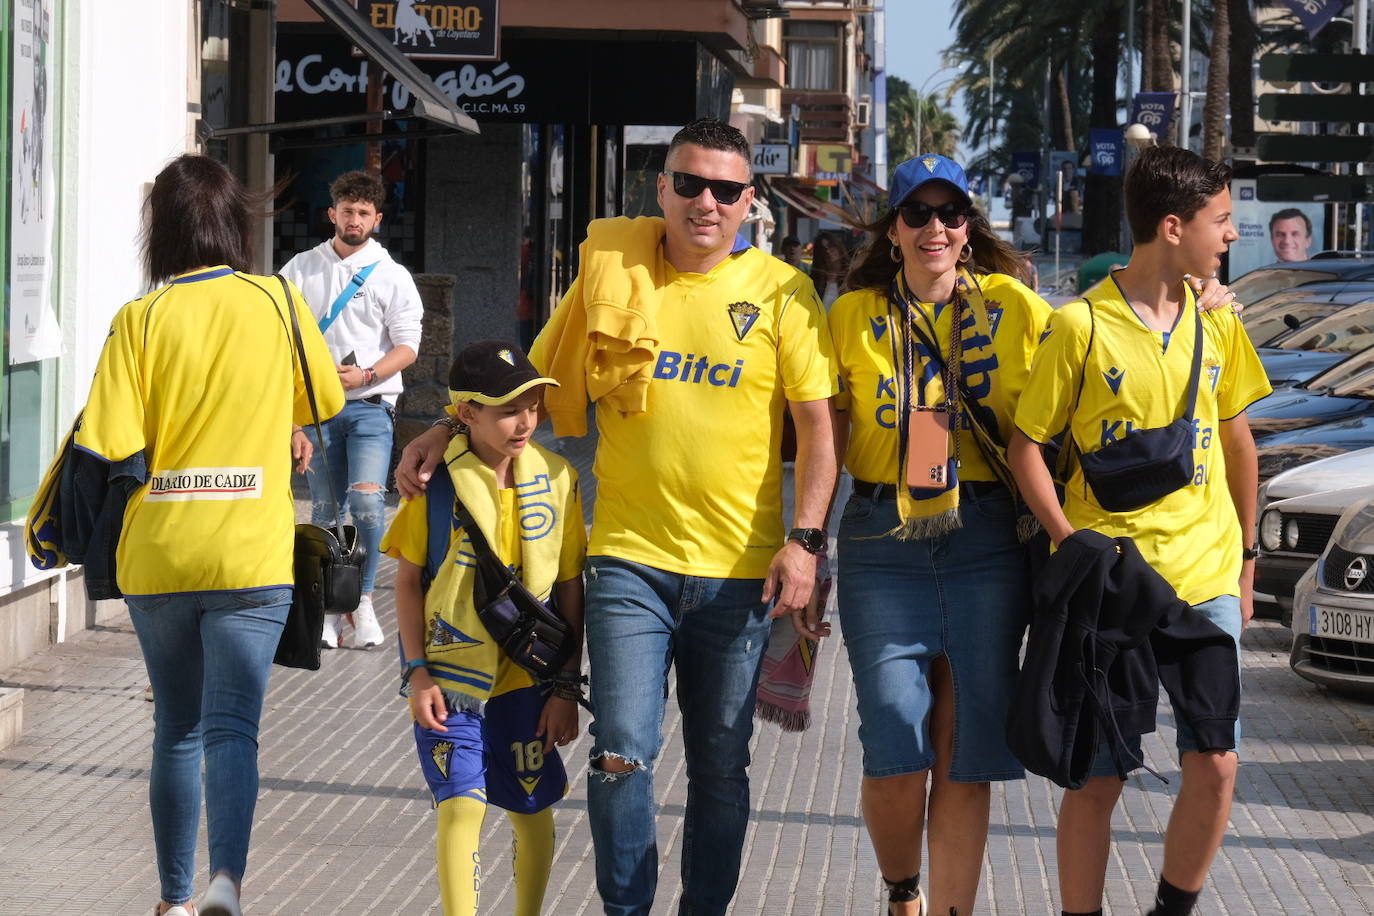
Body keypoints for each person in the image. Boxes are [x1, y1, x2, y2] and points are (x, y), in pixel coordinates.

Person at [396, 117, 839, 915]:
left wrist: (805, 542)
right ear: (661, 189)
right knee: (621, 755)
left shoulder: (782, 291)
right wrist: (442, 429)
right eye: (690, 183)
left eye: (726, 189)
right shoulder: (615, 270)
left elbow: (816, 428)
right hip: (629, 562)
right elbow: (522, 383)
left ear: (749, 202)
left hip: (739, 574)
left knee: (721, 767)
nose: (707, 202)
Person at [76, 154, 344, 916]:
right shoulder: (277, 301)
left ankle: (173, 902)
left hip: (160, 554)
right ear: (235, 223)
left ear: (159, 230)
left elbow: (109, 438)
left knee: (176, 729)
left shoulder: (140, 319)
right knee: (233, 730)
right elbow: (324, 398)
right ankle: (227, 879)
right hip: (251, 555)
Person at [1007, 145, 1270, 916]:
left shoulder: (1218, 322)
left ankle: (1170, 909)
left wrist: (1247, 564)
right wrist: (1070, 542)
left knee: (1216, 763)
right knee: (1098, 777)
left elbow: (1239, 445)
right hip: (1114, 586)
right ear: (1172, 226)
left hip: (1206, 578)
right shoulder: (1079, 326)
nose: (1231, 234)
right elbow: (1027, 448)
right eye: (1220, 220)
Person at [825, 153, 1051, 915]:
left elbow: (1097, 348)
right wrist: (800, 540)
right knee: (894, 739)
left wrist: (1198, 298)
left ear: (968, 226)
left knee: (966, 752)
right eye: (916, 212)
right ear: (893, 228)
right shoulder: (851, 315)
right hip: (881, 537)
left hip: (987, 539)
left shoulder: (1015, 307)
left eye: (949, 213)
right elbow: (818, 429)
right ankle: (903, 889)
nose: (934, 227)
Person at [381, 340, 586, 916]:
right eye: (509, 410)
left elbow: (571, 586)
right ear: (466, 413)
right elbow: (407, 582)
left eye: (533, 407)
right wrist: (417, 672)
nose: (526, 422)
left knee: (531, 806)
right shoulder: (434, 484)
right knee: (461, 804)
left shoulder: (559, 478)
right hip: (450, 679)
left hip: (529, 677)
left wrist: (565, 687)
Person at [280, 169, 423, 649]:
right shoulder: (301, 268)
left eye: (363, 212)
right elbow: (283, 342)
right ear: (332, 214)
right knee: (324, 509)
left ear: (377, 219)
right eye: (347, 211)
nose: (354, 219)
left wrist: (366, 375)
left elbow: (408, 347)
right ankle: (327, 606)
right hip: (316, 411)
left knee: (365, 502)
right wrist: (293, 418)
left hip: (370, 407)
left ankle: (360, 600)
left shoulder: (391, 275)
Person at [810, 231, 848, 308]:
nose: (828, 251)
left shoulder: (851, 275)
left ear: (838, 246)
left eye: (830, 246)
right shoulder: (814, 279)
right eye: (823, 249)